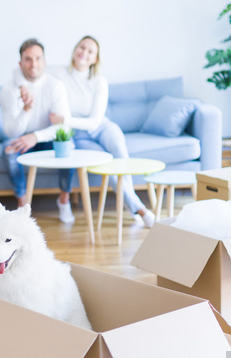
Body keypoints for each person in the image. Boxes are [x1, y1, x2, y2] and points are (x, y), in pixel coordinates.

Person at [43, 35, 156, 227]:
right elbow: (30, 73)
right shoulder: (57, 73)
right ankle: (140, 208)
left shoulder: (99, 81)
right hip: (77, 133)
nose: (84, 53)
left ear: (95, 59)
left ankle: (130, 202)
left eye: (90, 51)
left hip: (101, 126)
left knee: (121, 154)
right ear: (75, 49)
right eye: (82, 47)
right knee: (106, 166)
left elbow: (95, 122)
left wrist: (64, 119)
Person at [0, 38, 76, 223]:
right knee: (9, 150)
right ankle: (23, 207)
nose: (33, 64)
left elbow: (63, 127)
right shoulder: (8, 90)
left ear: (44, 62)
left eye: (38, 58)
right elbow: (11, 132)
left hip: (47, 137)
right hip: (22, 138)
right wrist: (26, 108)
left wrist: (36, 136)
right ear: (20, 63)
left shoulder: (55, 86)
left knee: (69, 147)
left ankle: (64, 201)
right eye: (28, 59)